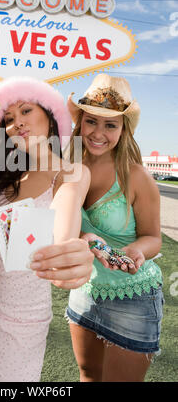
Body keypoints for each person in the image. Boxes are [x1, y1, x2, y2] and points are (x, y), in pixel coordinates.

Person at [0, 76, 94, 382]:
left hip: (26, 316)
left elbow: (66, 211)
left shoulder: (71, 173)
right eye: (8, 119)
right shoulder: (4, 179)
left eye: (26, 111)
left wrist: (66, 249)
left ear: (51, 118)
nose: (17, 124)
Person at [65, 73, 163, 382]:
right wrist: (84, 239)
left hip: (133, 297)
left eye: (111, 125)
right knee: (88, 375)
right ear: (79, 121)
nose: (99, 133)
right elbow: (58, 223)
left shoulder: (137, 177)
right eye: (91, 121)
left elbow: (153, 238)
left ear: (124, 130)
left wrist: (136, 250)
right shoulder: (64, 168)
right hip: (85, 290)